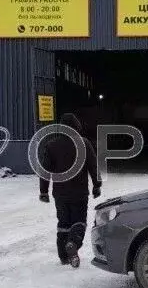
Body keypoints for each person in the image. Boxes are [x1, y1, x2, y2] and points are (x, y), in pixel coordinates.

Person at [38, 113, 102, 268]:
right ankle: (73, 243)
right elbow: (93, 166)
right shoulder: (84, 143)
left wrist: (44, 191)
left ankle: (64, 256)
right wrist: (96, 185)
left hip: (60, 193)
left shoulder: (51, 145)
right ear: (77, 126)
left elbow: (45, 171)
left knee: (63, 223)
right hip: (79, 192)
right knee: (79, 222)